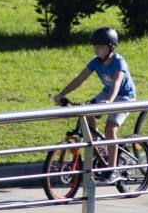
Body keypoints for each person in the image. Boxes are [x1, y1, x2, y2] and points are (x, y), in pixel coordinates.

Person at [53, 27, 136, 184]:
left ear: (111, 46)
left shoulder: (119, 61)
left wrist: (110, 101)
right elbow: (79, 79)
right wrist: (61, 94)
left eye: (100, 46)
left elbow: (117, 83)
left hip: (124, 97)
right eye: (94, 46)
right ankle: (102, 146)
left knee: (110, 127)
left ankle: (113, 170)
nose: (96, 49)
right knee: (87, 112)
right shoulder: (96, 62)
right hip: (106, 93)